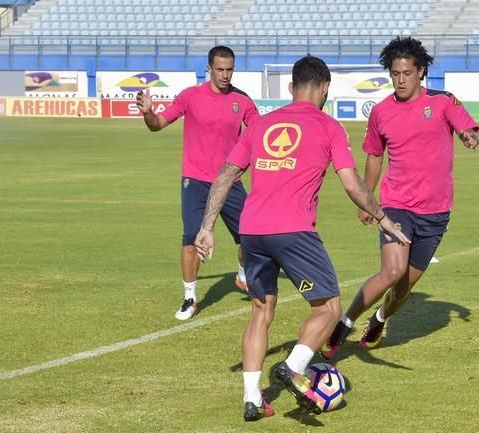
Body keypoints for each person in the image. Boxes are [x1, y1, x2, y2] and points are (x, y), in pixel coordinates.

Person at [193, 55, 409, 421]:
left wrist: (207, 227)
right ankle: (294, 366)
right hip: (293, 231)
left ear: (291, 88)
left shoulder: (261, 125)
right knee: (328, 308)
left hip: (252, 231)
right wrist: (383, 218)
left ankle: (252, 400)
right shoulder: (329, 126)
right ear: (325, 88)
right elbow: (352, 184)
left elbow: (225, 175)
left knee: (261, 312)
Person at [321, 36, 479, 359]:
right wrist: (367, 201)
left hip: (436, 212)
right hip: (396, 206)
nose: (401, 79)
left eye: (407, 73)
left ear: (421, 72)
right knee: (392, 271)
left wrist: (467, 135)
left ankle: (379, 319)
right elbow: (375, 157)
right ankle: (344, 323)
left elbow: (467, 127)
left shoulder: (444, 101)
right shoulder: (380, 112)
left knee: (404, 288)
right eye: (395, 73)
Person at [136, 45, 259, 321]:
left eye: (229, 69)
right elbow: (157, 124)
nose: (225, 75)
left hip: (230, 181)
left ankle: (242, 276)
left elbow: (260, 135)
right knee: (191, 237)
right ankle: (190, 297)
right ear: (209, 69)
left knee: (251, 235)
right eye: (220, 69)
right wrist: (147, 113)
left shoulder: (243, 101)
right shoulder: (190, 96)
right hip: (195, 180)